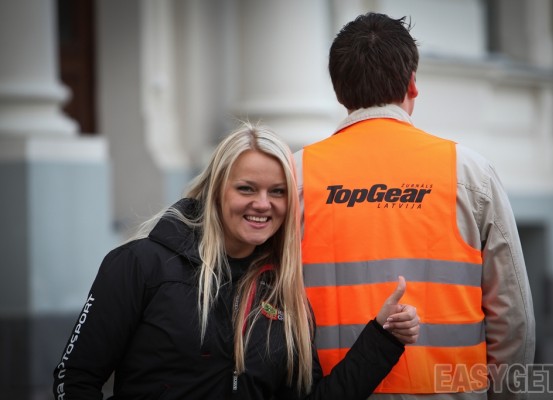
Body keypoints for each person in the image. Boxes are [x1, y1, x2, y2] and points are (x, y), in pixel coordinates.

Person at [52, 122, 420, 400]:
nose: (262, 204)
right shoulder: (139, 265)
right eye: (246, 188)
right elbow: (74, 379)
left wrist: (382, 338)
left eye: (277, 192)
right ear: (216, 191)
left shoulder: (286, 297)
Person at [294, 12, 535, 399]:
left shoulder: (296, 175)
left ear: (339, 92)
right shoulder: (469, 173)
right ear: (412, 85)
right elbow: (511, 314)